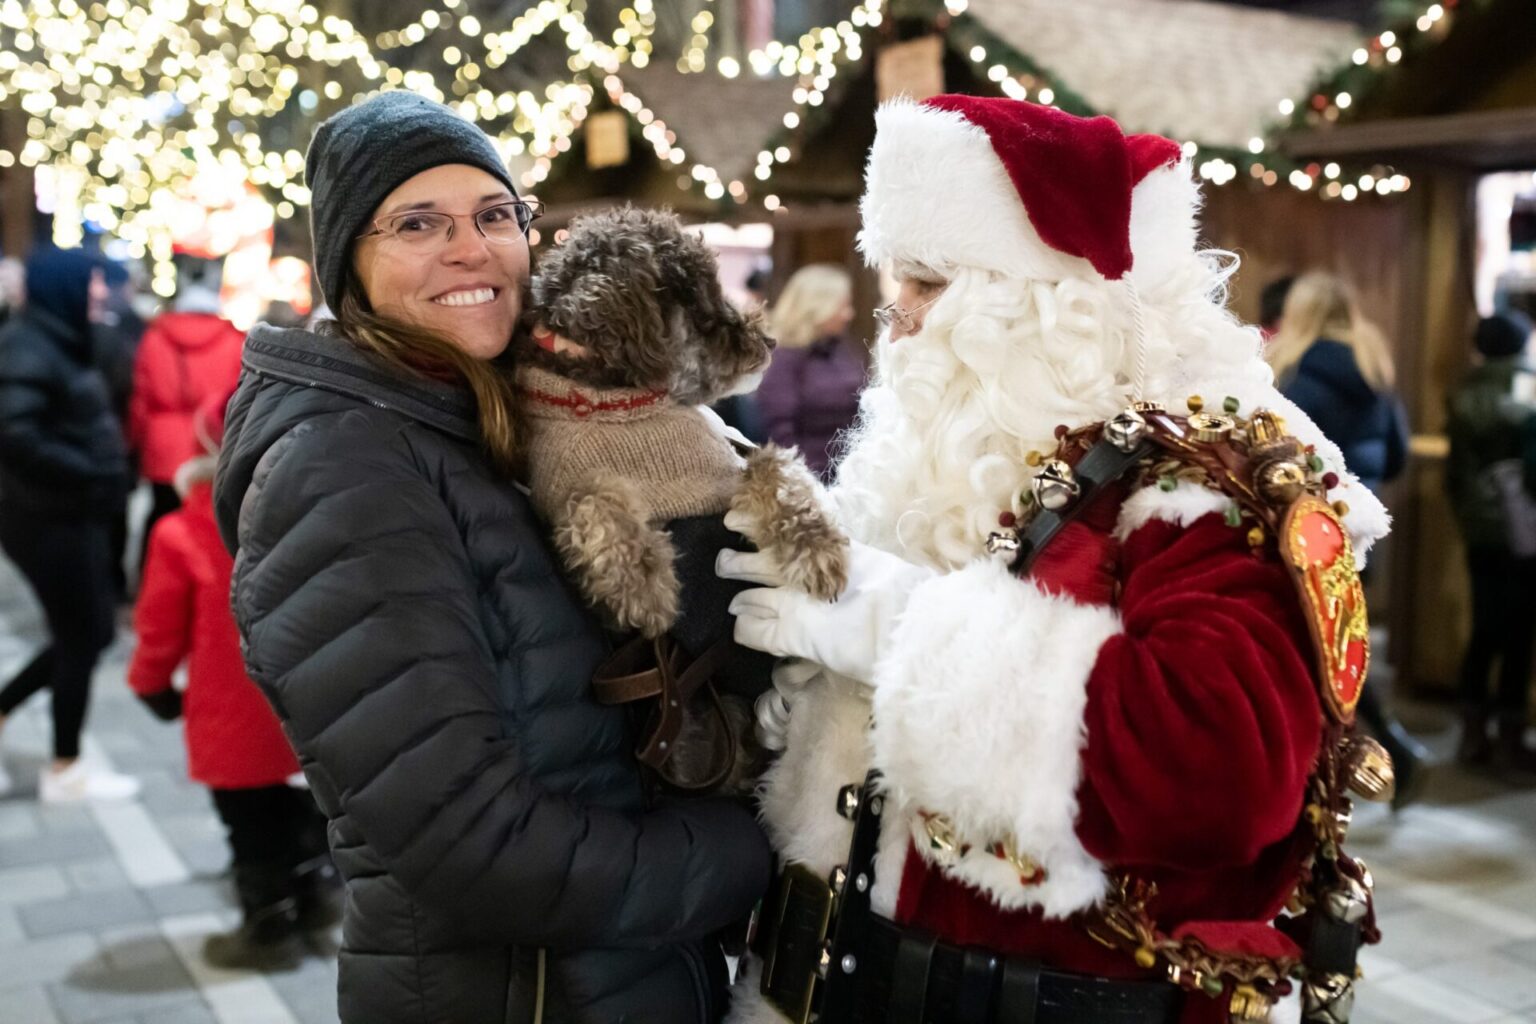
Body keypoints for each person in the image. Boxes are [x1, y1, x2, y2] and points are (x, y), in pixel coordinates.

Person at [718, 96, 1393, 1024]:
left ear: (1049, 300)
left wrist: (903, 629)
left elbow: (1222, 773)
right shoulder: (975, 443)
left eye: (925, 282)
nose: (895, 316)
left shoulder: (1204, 481)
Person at [214, 91, 769, 1024]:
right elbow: (475, 840)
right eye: (418, 223)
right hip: (517, 993)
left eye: (494, 214)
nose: (472, 248)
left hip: (614, 978)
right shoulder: (343, 467)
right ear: (348, 265)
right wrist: (748, 853)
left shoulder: (497, 418)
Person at [129, 390, 337, 971]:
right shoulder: (319, 515)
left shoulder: (182, 532)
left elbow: (159, 629)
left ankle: (268, 928)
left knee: (250, 827)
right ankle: (318, 897)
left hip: (233, 717)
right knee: (313, 809)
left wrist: (151, 687)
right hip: (313, 707)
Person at [1268, 270, 1426, 800]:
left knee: (1314, 657)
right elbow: (1399, 453)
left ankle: (1345, 769)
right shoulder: (1373, 370)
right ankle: (1383, 752)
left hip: (1305, 534)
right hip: (1360, 529)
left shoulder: (1294, 376)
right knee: (1344, 650)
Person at [0, 246, 138, 802]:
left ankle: (10, 713)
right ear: (64, 289)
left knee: (88, 631)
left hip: (68, 512)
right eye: (93, 284)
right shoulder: (26, 346)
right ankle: (66, 767)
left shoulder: (58, 340)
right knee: (84, 634)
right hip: (48, 516)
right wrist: (88, 473)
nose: (101, 293)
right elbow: (15, 433)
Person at [1444, 311, 1536, 770]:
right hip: (1526, 526)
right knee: (1520, 632)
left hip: (1480, 526)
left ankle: (1471, 735)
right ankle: (1511, 735)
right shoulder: (1530, 386)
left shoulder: (1462, 391)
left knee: (1484, 627)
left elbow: (1454, 473)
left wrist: (1468, 515)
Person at [128, 252, 243, 581]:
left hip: (162, 444)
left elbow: (141, 397)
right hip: (209, 445)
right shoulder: (234, 340)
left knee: (160, 516)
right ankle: (200, 586)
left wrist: (135, 442)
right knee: (205, 522)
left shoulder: (155, 337)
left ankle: (149, 582)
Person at [755, 263, 864, 479]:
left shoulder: (842, 350)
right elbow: (779, 431)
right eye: (843, 307)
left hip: (852, 472)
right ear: (818, 307)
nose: (849, 315)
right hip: (810, 476)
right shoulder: (784, 360)